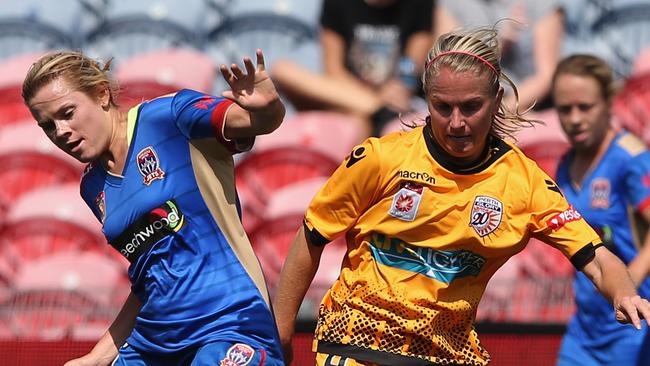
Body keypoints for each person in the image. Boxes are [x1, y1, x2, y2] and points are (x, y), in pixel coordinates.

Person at [272, 26, 650, 366]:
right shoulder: (380, 158)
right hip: (358, 345)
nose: (456, 123)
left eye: (471, 107)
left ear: (496, 98)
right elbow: (312, 236)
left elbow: (596, 258)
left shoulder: (524, 182)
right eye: (442, 107)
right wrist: (282, 332)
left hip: (447, 352)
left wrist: (624, 293)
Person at [22, 49, 285, 365]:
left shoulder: (170, 117)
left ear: (101, 94)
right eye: (48, 126)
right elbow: (149, 279)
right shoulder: (92, 187)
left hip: (229, 324)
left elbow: (256, 121)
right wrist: (96, 357)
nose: (60, 131)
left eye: (67, 113)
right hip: (153, 346)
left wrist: (268, 109)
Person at [552, 54, 650, 366]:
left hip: (632, 329)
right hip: (583, 332)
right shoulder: (564, 166)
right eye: (565, 109)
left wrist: (626, 285)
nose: (575, 118)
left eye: (585, 107)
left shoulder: (629, 158)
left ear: (609, 102)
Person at [271, 0, 434, 137]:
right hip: (350, 93)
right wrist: (371, 99)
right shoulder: (338, 3)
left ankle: (375, 113)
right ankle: (378, 111)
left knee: (357, 118)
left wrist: (398, 89)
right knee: (282, 69)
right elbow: (334, 71)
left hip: (394, 99)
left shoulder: (420, 3)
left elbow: (410, 70)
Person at [433, 0, 564, 112]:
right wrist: (499, 47)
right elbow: (444, 65)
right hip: (467, 105)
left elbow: (547, 75)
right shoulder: (452, 3)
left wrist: (501, 112)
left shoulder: (541, 4)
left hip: (526, 106)